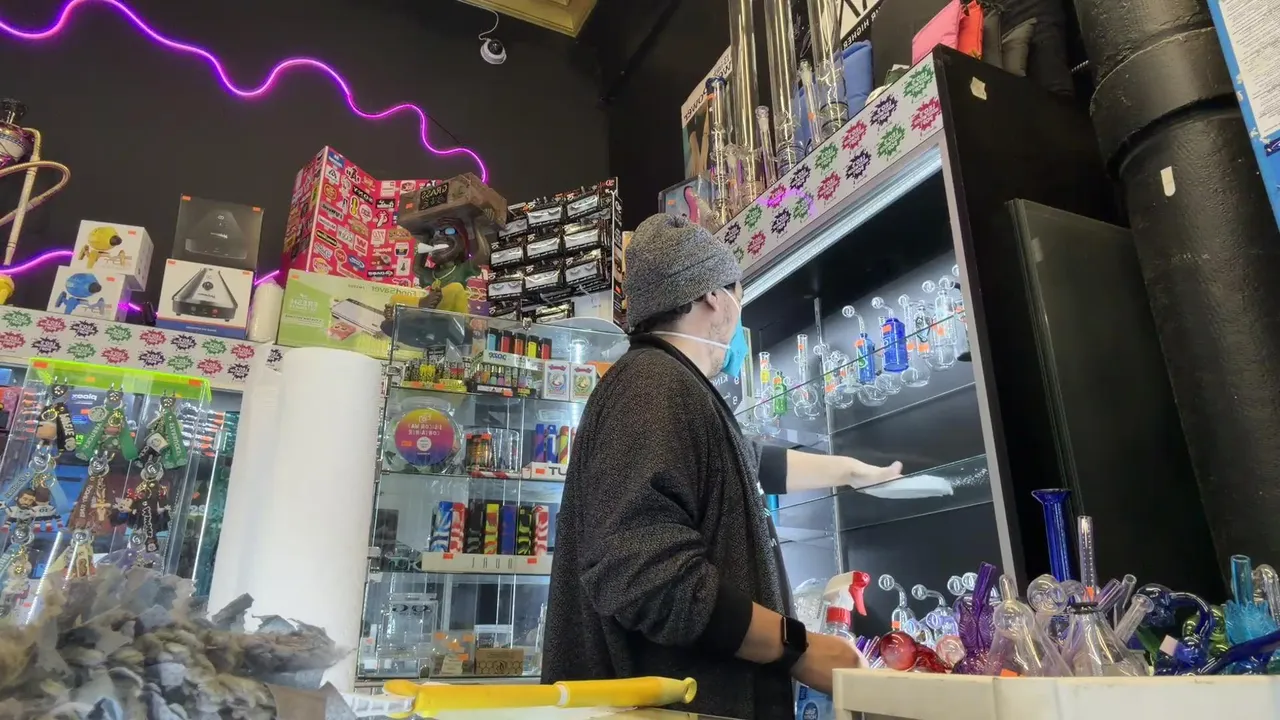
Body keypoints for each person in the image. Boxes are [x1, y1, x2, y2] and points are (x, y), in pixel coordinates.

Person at [543, 214, 904, 719]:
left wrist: (849, 470)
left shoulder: (668, 386)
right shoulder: (653, 387)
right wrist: (797, 647)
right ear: (714, 296)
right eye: (739, 295)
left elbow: (748, 463)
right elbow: (645, 574)